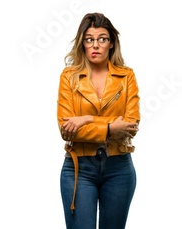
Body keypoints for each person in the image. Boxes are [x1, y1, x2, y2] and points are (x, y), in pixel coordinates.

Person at [57, 12, 140, 229]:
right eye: (89, 39)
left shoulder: (126, 76)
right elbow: (66, 129)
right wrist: (112, 127)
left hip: (119, 168)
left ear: (111, 44)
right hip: (79, 168)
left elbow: (131, 125)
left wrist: (86, 118)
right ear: (82, 43)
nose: (96, 45)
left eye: (102, 39)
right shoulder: (69, 76)